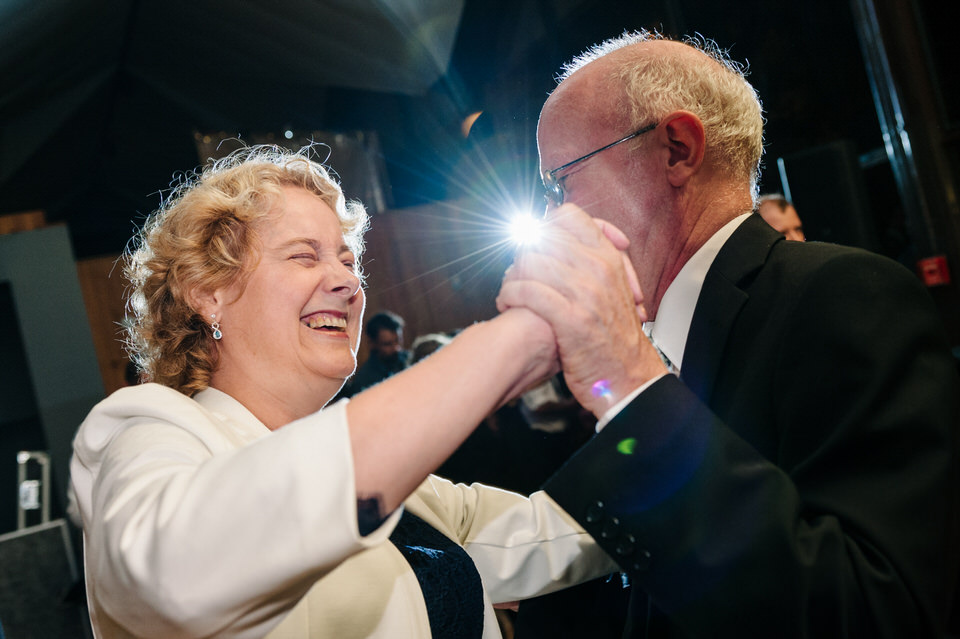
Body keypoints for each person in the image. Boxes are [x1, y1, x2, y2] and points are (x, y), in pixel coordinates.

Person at [499, 30, 960, 637]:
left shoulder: (841, 295)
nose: (557, 214)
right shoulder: (661, 338)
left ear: (676, 150)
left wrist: (633, 385)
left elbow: (874, 609)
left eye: (563, 180)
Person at [69, 145, 617, 639]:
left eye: (348, 260)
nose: (348, 282)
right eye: (305, 256)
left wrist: (662, 410)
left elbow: (557, 533)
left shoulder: (406, 486)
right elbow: (172, 574)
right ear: (208, 294)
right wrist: (511, 344)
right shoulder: (146, 431)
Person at [341, 310, 412, 396]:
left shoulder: (411, 358)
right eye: (387, 344)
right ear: (372, 343)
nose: (396, 348)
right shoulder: (364, 379)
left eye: (397, 341)